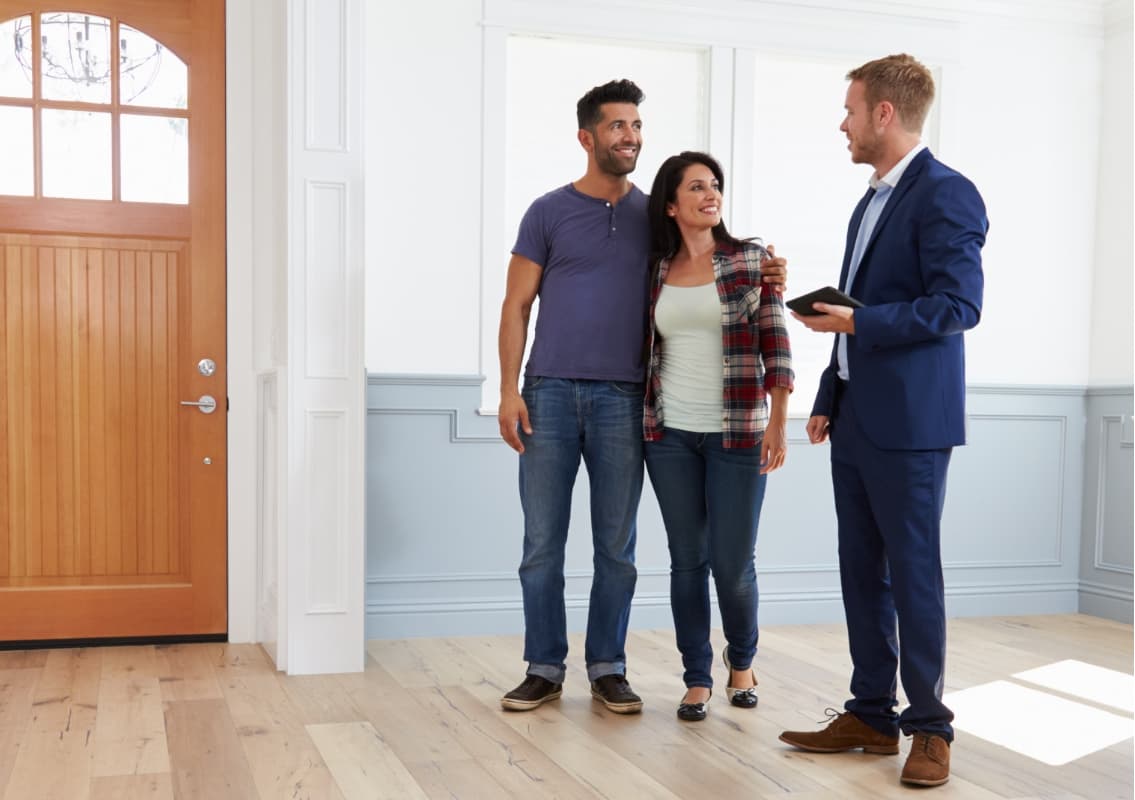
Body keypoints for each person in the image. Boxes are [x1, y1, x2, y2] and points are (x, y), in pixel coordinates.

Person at [496, 79, 789, 714]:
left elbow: (711, 266)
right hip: (546, 393)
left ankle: (608, 667)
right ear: (587, 137)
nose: (630, 136)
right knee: (541, 543)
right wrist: (508, 390)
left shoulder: (654, 216)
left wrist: (767, 269)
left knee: (616, 546)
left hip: (626, 400)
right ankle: (543, 666)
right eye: (617, 126)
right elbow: (517, 305)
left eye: (636, 125)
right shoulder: (546, 212)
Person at [778, 54, 987, 788]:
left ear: (884, 114)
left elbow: (957, 307)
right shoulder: (868, 200)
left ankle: (929, 728)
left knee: (912, 573)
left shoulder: (946, 195)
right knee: (860, 573)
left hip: (910, 424)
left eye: (849, 109)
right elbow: (854, 313)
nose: (842, 122)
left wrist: (858, 327)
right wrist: (829, 397)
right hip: (855, 417)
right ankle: (870, 713)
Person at [642, 151, 792, 722]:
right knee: (687, 560)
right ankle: (697, 677)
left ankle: (743, 662)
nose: (711, 195)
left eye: (716, 186)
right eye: (697, 187)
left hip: (738, 433)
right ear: (673, 204)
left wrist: (777, 422)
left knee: (732, 564)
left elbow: (776, 344)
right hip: (669, 435)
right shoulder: (654, 269)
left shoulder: (750, 262)